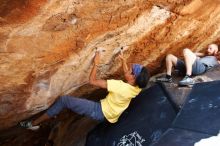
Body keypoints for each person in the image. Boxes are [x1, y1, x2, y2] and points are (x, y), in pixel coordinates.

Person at [20, 50, 150, 130]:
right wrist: (123, 60)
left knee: (64, 100)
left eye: (131, 71)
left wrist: (96, 63)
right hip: (111, 115)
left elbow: (92, 81)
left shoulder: (120, 86)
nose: (128, 70)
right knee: (75, 103)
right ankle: (54, 113)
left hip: (99, 111)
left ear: (133, 78)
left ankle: (33, 124)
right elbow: (128, 74)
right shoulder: (137, 87)